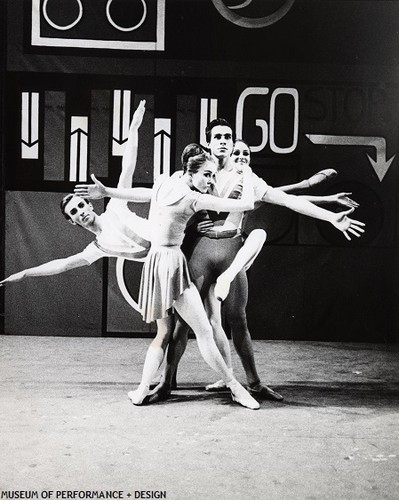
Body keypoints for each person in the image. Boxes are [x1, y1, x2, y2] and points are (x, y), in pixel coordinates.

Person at [149, 121, 364, 403]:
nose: (224, 141)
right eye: (218, 137)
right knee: (183, 324)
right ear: (208, 141)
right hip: (200, 253)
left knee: (238, 319)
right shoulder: (194, 172)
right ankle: (166, 382)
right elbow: (168, 207)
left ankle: (254, 382)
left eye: (228, 137)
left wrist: (329, 216)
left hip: (230, 251)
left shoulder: (247, 178)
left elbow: (287, 200)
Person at [0, 101, 152, 289]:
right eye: (74, 211)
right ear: (72, 220)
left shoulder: (115, 207)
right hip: (162, 264)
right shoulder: (98, 248)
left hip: (175, 241)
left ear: (90, 205)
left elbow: (127, 168)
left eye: (81, 205)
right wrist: (25, 273)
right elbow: (63, 264)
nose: (80, 211)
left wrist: (133, 128)